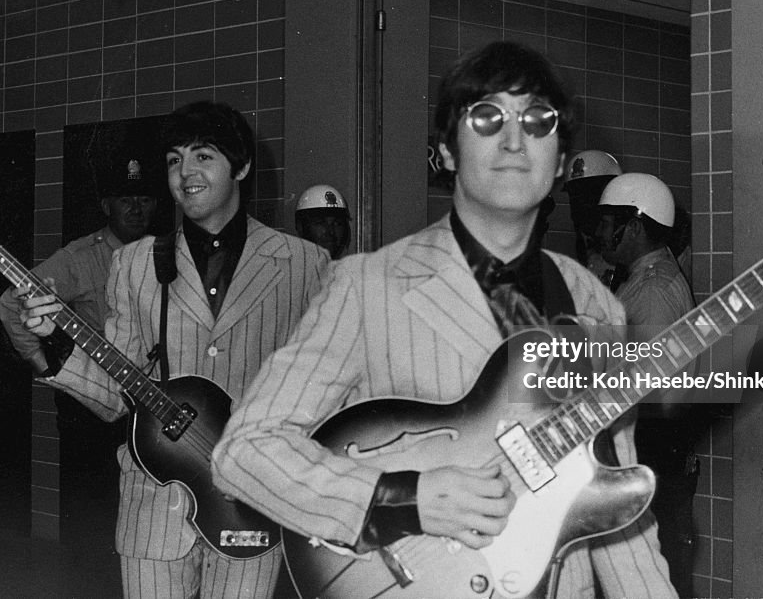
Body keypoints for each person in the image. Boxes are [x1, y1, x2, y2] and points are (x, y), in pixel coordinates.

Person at [212, 41, 676, 599]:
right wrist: (402, 499)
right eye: (486, 118)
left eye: (537, 121)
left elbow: (615, 503)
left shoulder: (595, 306)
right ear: (448, 152)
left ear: (558, 160)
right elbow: (245, 450)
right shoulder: (368, 286)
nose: (513, 140)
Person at [15, 102, 330, 598]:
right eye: (174, 160)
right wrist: (56, 343)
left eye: (203, 157)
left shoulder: (303, 264)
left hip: (250, 508)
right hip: (154, 508)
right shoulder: (136, 263)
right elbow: (118, 394)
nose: (186, 174)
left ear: (241, 166)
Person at [595, 172, 701, 598]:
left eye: (606, 221)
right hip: (649, 453)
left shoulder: (653, 289)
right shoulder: (640, 278)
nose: (598, 231)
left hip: (652, 455)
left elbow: (653, 389)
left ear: (634, 225)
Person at [0, 153, 159, 375]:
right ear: (106, 206)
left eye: (144, 200)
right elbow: (10, 303)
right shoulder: (80, 257)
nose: (136, 209)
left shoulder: (162, 254)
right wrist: (43, 366)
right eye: (125, 200)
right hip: (93, 385)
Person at [563, 149, 621, 285]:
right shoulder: (585, 248)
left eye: (587, 196)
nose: (580, 206)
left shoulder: (625, 251)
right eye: (575, 197)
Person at [295, 184, 352, 259]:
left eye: (337, 223)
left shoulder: (348, 269)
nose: (330, 231)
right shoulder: (289, 269)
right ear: (301, 227)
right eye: (320, 223)